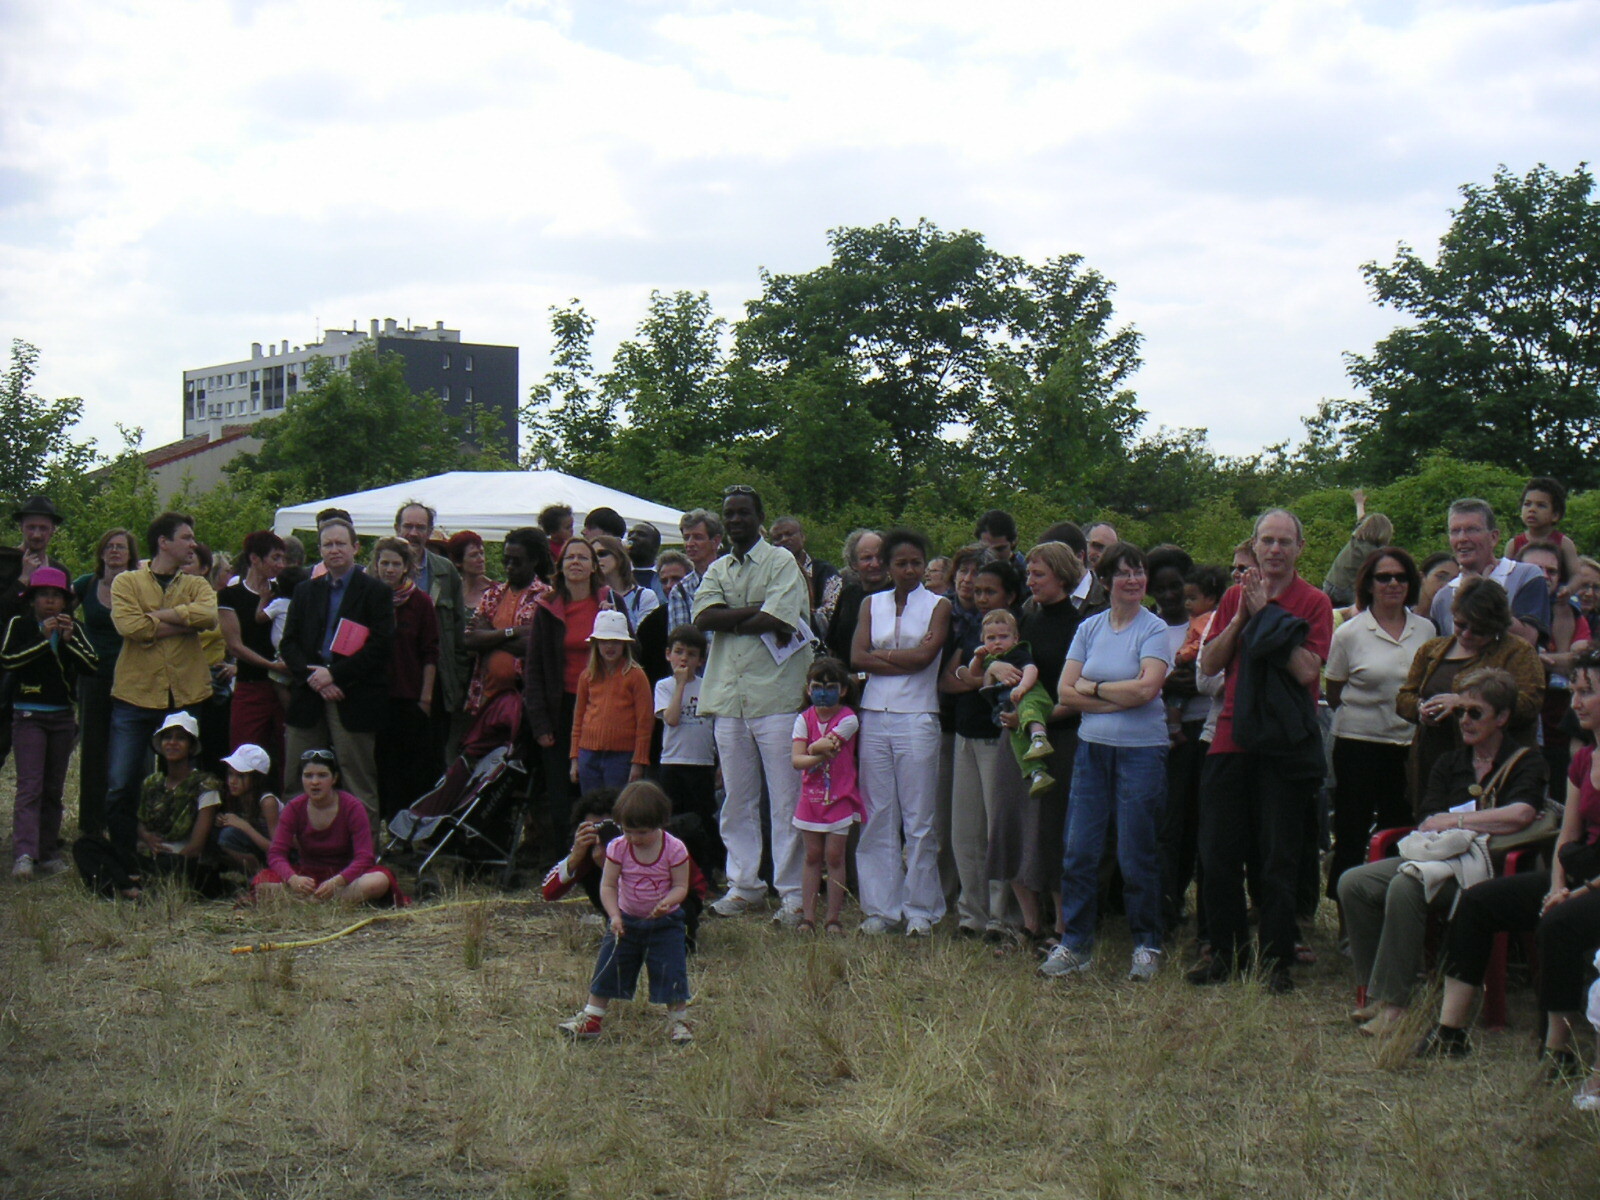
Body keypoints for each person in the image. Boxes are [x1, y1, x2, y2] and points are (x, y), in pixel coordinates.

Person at [1415, 649, 1600, 1064]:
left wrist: (1574, 893)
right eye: (1574, 691)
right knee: (1478, 901)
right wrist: (1557, 885)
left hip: (1596, 884)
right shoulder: (1584, 760)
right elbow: (1568, 837)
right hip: (1578, 873)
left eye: (1587, 692)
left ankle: (1558, 1051)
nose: (1575, 702)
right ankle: (1451, 1031)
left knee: (1558, 922)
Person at [1341, 667, 1547, 1035]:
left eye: (1475, 712)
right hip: (1437, 859)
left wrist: (1458, 821)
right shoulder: (1450, 763)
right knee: (1353, 883)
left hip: (1489, 870)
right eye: (1460, 711)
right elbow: (1427, 819)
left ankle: (1396, 1006)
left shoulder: (1526, 761)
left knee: (1407, 885)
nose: (1464, 720)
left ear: (1502, 717)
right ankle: (1376, 991)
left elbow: (1521, 814)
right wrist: (1477, 822)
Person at [1189, 509, 1333, 994]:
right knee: (1218, 853)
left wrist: (1268, 615)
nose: (1275, 550)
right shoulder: (1236, 596)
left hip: (1283, 743)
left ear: (1299, 548)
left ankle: (1276, 959)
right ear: (1254, 545)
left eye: (1284, 542)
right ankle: (1226, 953)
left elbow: (1307, 670)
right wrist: (1243, 617)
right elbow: (1210, 663)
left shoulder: (1314, 601)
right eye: (1267, 541)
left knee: (1278, 857)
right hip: (1230, 736)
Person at [1042, 543, 1174, 981]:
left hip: (1142, 753)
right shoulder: (1090, 627)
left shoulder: (1154, 629)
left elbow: (1147, 689)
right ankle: (1075, 944)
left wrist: (1094, 688)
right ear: (1105, 580)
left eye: (1139, 572)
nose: (1133, 581)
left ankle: (1146, 944)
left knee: (1136, 853)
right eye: (1124, 573)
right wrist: (1120, 695)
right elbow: (1064, 692)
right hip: (1092, 751)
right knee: (1079, 851)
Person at [693, 485, 814, 923]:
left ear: (759, 517)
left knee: (785, 799)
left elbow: (778, 618)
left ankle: (793, 893)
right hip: (729, 698)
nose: (735, 520)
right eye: (729, 514)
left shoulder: (781, 561)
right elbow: (703, 618)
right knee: (737, 799)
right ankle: (745, 886)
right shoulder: (718, 567)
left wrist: (735, 615)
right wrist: (754, 612)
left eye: (743, 513)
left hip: (777, 696)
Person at [1323, 548, 1436, 911]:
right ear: (1368, 584)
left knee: (1400, 826)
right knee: (1352, 830)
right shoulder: (1349, 633)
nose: (1393, 584)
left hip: (1408, 744)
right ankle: (1346, 915)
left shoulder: (1427, 629)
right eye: (1384, 577)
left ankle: (1393, 907)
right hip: (1359, 743)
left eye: (1401, 577)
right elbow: (1334, 690)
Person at [852, 528, 951, 937]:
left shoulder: (938, 605)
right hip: (875, 713)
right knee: (877, 813)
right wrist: (901, 658)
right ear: (887, 566)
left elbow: (925, 658)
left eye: (916, 563)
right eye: (901, 563)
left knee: (919, 816)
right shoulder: (871, 604)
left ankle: (921, 908)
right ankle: (881, 907)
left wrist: (882, 656)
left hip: (918, 715)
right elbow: (856, 656)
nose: (909, 570)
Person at [104, 512, 218, 860]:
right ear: (163, 543)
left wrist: (157, 616)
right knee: (122, 781)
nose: (193, 544)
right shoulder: (126, 582)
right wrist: (185, 622)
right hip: (135, 695)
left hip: (185, 695)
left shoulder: (197, 584)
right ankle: (125, 856)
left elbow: (209, 616)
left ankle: (178, 855)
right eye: (186, 537)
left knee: (183, 781)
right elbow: (131, 628)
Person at [557, 780, 694, 1044]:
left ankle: (679, 1021)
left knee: (671, 970)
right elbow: (608, 885)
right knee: (608, 966)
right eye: (628, 831)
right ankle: (592, 1017)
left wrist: (668, 902)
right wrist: (615, 916)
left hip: (665, 924)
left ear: (660, 824)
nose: (634, 839)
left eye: (642, 832)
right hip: (626, 921)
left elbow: (681, 886)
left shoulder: (675, 848)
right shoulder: (617, 848)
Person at [1397, 577, 1544, 819]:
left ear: (1497, 627)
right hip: (1432, 757)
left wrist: (1464, 704)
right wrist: (1421, 709)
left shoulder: (1517, 652)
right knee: (1431, 822)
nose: (1466, 634)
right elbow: (1404, 696)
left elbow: (1529, 704)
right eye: (1460, 624)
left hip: (1491, 763)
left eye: (1479, 630)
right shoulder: (1432, 650)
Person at [280, 519, 395, 817]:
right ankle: (297, 842)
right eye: (328, 544)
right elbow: (288, 644)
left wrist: (334, 675)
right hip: (308, 694)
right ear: (319, 550)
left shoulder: (376, 592)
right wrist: (314, 678)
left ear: (355, 547)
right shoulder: (305, 591)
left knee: (358, 780)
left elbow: (380, 646)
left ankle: (365, 844)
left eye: (340, 544)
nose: (334, 550)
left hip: (353, 695)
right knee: (298, 777)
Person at [940, 553, 1019, 939]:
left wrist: (975, 677)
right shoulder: (973, 627)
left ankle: (1002, 916)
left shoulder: (1015, 634)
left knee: (996, 829)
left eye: (991, 592)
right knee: (965, 831)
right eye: (979, 591)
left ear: (1011, 595)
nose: (982, 597)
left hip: (997, 737)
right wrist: (984, 674)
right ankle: (971, 912)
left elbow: (1012, 679)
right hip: (964, 734)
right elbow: (948, 680)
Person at [3, 566, 97, 879]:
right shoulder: (20, 624)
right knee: (30, 786)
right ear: (32, 599)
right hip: (28, 712)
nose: (50, 602)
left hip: (62, 715)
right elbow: (9, 659)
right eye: (43, 595)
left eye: (56, 596)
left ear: (65, 601)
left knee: (53, 787)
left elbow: (92, 665)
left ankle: (47, 851)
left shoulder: (74, 627)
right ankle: (24, 854)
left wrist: (68, 641)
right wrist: (44, 639)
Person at [526, 535, 615, 851]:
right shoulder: (547, 607)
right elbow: (534, 668)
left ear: (593, 567)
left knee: (597, 783)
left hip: (603, 704)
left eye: (583, 557)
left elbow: (634, 654)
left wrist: (613, 622)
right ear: (560, 566)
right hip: (560, 705)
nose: (576, 562)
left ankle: (604, 852)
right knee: (561, 784)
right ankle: (567, 855)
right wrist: (539, 723)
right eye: (569, 557)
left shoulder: (609, 601)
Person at [251, 748, 404, 905]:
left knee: (378, 881)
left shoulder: (353, 807)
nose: (314, 782)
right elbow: (276, 854)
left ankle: (313, 902)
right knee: (262, 883)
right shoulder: (294, 808)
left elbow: (365, 857)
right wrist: (293, 879)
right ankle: (323, 902)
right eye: (308, 776)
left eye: (322, 775)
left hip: (346, 877)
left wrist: (338, 881)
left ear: (334, 778)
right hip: (307, 877)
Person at [790, 657, 865, 935]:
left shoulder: (848, 719)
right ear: (808, 689)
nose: (823, 693)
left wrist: (811, 750)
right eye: (817, 687)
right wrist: (815, 751)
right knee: (812, 855)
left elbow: (828, 744)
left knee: (834, 856)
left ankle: (833, 918)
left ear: (843, 690)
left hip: (840, 797)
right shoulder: (803, 719)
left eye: (831, 686)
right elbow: (798, 760)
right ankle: (808, 917)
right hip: (810, 798)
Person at [72, 528, 137, 840]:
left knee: (127, 751)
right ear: (101, 552)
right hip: (93, 676)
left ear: (130, 554)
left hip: (131, 677)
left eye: (121, 547)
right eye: (109, 546)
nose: (114, 551)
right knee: (94, 750)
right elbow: (54, 606)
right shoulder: (86, 584)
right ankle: (92, 824)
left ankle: (125, 821)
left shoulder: (139, 585)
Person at [394, 501, 468, 766]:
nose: (413, 533)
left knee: (433, 757)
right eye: (408, 526)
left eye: (420, 527)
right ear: (397, 528)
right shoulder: (379, 568)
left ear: (429, 531)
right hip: (394, 678)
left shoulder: (445, 571)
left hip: (437, 678)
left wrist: (458, 681)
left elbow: (459, 633)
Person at [370, 538, 440, 818]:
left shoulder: (421, 602)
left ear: (406, 567)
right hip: (372, 695)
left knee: (407, 767)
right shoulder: (366, 598)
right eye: (384, 563)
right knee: (376, 764)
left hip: (408, 696)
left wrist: (426, 698)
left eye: (395, 564)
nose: (389, 569)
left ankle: (403, 825)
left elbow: (430, 652)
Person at [0, 495, 69, 775]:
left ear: (53, 530)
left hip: (42, 670)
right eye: (31, 527)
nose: (37, 534)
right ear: (22, 528)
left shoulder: (60, 572)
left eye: (43, 528)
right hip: (6, 663)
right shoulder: (4, 562)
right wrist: (23, 579)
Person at [218, 530, 288, 787]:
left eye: (283, 559)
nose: (281, 565)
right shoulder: (230, 596)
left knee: (287, 755)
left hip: (284, 687)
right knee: (243, 756)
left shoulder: (283, 592)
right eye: (275, 558)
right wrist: (272, 666)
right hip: (250, 686)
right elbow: (235, 646)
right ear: (255, 558)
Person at [1429, 498, 1549, 644]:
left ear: (1493, 537)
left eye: (1472, 530)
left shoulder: (1526, 576)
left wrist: (1483, 594)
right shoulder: (1443, 598)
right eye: (1455, 531)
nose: (1462, 538)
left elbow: (1528, 639)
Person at [132, 712, 225, 897]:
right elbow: (140, 822)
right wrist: (147, 838)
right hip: (150, 857)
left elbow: (196, 846)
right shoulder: (152, 782)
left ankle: (137, 885)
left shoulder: (206, 785)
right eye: (167, 738)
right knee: (88, 846)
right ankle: (136, 886)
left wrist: (167, 863)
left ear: (191, 747)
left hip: (183, 862)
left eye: (180, 738)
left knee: (167, 866)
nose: (172, 743)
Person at [655, 624, 722, 876]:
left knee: (703, 819)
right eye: (679, 652)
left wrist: (720, 764)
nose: (684, 658)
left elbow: (716, 727)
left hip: (702, 763)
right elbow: (671, 718)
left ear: (701, 660)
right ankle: (677, 871)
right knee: (674, 820)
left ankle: (707, 872)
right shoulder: (664, 686)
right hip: (673, 762)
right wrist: (681, 685)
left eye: (691, 654)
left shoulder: (708, 686)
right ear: (668, 654)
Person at [462, 527, 550, 716]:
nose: (509, 566)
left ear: (534, 560)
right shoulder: (492, 595)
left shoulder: (547, 598)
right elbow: (470, 640)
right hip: (485, 698)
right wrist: (513, 632)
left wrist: (489, 636)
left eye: (516, 561)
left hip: (524, 701)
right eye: (506, 560)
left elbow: (535, 646)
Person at [969, 609, 1056, 795]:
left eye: (1003, 637)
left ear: (1015, 638)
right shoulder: (990, 658)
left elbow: (1031, 669)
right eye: (991, 638)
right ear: (983, 640)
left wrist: (1022, 687)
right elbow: (973, 673)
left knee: (1029, 708)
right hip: (1011, 703)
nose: (997, 642)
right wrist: (978, 658)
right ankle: (1037, 773)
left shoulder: (1017, 652)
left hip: (1031, 693)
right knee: (1017, 739)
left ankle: (1039, 737)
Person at [569, 610, 652, 792]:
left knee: (618, 806)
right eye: (604, 641)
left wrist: (639, 761)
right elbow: (578, 719)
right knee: (592, 804)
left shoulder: (636, 676)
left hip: (622, 756)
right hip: (588, 754)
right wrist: (575, 757)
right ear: (596, 644)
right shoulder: (587, 676)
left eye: (616, 641)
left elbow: (645, 722)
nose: (610, 646)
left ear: (624, 644)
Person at [213, 743, 280, 875]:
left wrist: (244, 826)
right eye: (230, 774)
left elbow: (277, 848)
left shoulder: (267, 802)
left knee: (228, 835)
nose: (232, 781)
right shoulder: (237, 798)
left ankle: (260, 874)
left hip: (281, 856)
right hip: (257, 848)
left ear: (256, 779)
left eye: (240, 776)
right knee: (219, 834)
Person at [824, 528, 886, 664]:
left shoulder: (899, 595)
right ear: (854, 564)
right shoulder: (848, 595)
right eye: (867, 558)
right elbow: (833, 646)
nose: (875, 564)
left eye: (881, 557)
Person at [1321, 491, 1394, 607]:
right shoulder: (1373, 552)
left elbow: (1361, 518)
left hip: (1330, 583)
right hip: (1346, 590)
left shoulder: (1357, 538)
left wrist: (1359, 503)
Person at [770, 515, 841, 633]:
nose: (784, 540)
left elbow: (832, 610)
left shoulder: (826, 571)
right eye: (777, 538)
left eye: (789, 534)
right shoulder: (768, 574)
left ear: (802, 537)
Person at [1509, 475, 1582, 584]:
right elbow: (1506, 577)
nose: (1532, 509)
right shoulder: (1514, 544)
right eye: (1527, 504)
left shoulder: (1564, 543)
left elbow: (1576, 575)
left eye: (1541, 505)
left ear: (1555, 515)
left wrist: (1567, 590)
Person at [665, 509, 724, 635]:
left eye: (698, 537)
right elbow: (680, 640)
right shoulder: (680, 590)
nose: (690, 544)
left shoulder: (733, 577)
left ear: (715, 541)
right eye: (686, 538)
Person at [592, 533, 659, 628]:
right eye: (592, 556)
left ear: (619, 556)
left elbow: (644, 634)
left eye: (602, 554)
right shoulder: (589, 596)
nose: (597, 559)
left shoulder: (644, 596)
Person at [445, 530, 494, 613]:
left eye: (482, 553)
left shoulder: (496, 592)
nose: (481, 559)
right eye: (473, 555)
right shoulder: (452, 591)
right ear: (457, 561)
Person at [1415, 552, 1460, 621]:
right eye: (1441, 577)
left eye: (1453, 581)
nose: (1446, 585)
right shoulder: (1401, 612)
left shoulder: (1453, 620)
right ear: (1422, 578)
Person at [628, 523, 665, 602]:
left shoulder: (666, 577)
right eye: (630, 534)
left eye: (641, 534)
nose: (632, 537)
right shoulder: (618, 575)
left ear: (655, 546)